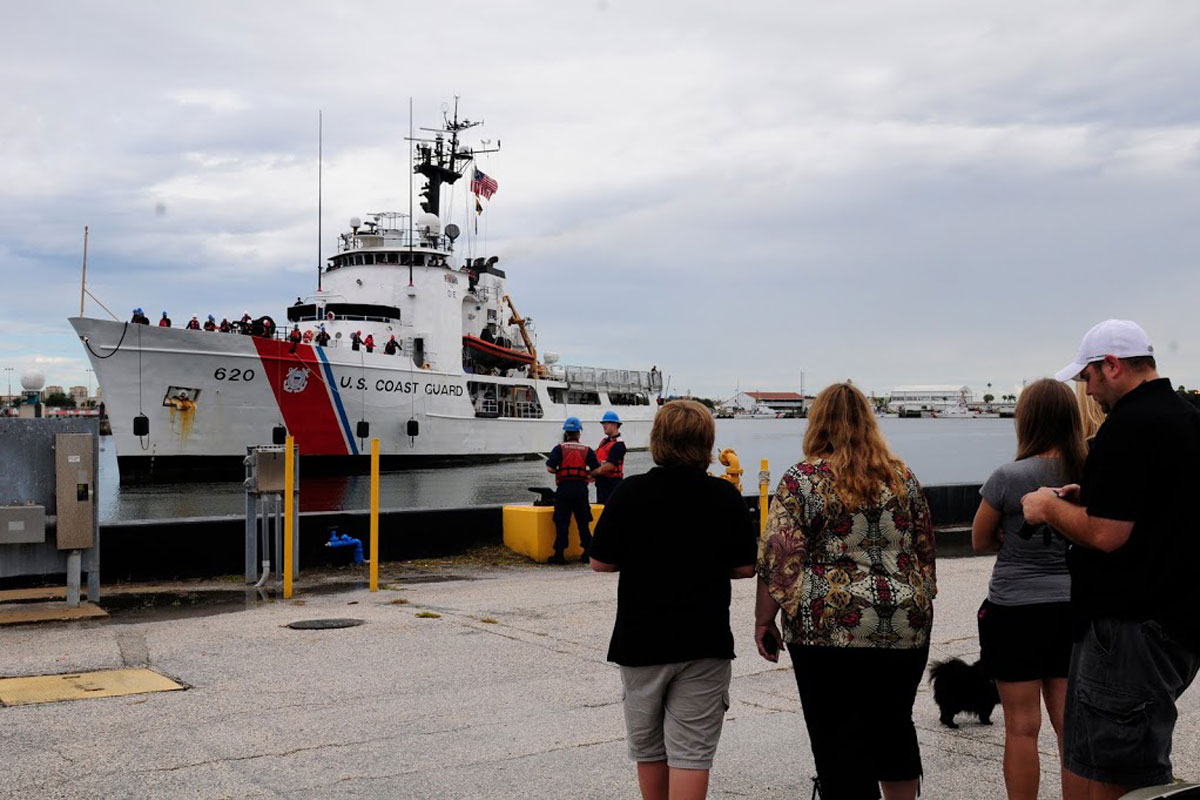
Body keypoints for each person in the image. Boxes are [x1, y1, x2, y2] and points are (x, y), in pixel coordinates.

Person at [1022, 319, 1200, 799]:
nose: (1088, 390)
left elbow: (1106, 535)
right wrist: (1094, 492)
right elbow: (1163, 505)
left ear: (1113, 366)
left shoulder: (1129, 427)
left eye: (1088, 377)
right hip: (1174, 623)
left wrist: (1048, 507)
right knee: (1097, 754)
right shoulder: (1185, 419)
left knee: (1122, 775)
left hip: (1128, 633)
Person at [755, 382, 936, 800]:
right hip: (904, 620)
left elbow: (780, 559)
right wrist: (916, 596)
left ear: (818, 422)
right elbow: (925, 550)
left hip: (826, 626)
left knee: (837, 737)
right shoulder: (903, 476)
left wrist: (763, 620)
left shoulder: (802, 480)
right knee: (894, 724)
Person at [589, 399, 756, 800]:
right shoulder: (724, 495)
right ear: (707, 443)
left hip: (641, 640)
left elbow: (600, 562)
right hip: (704, 640)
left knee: (649, 748)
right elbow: (745, 568)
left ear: (658, 439)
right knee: (691, 753)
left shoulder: (631, 492)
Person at [972, 378, 1086, 800]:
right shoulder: (1087, 472)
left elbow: (979, 540)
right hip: (1072, 607)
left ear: (1027, 421)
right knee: (1070, 729)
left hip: (1014, 610)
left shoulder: (1007, 476)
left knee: (1021, 728)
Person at [544, 417, 600, 565]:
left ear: (566, 433)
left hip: (564, 489)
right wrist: (586, 474)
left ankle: (559, 555)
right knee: (583, 522)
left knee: (562, 522)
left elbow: (550, 468)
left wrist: (560, 471)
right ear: (579, 433)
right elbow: (596, 469)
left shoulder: (559, 449)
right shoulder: (587, 450)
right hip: (581, 490)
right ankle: (587, 553)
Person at [592, 410, 627, 504]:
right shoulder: (604, 442)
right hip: (602, 484)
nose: (604, 426)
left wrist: (592, 473)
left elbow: (609, 466)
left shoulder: (619, 445)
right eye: (603, 423)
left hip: (612, 484)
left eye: (607, 423)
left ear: (615, 425)